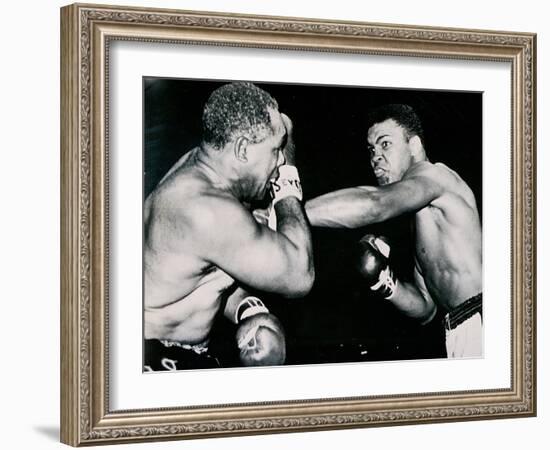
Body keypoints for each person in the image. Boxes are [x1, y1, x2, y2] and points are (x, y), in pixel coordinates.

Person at [144, 81, 314, 371]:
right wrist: (287, 181)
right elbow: (299, 275)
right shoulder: (205, 208)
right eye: (275, 149)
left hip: (165, 347)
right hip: (159, 357)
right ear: (243, 149)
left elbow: (197, 278)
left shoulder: (199, 172)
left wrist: (249, 309)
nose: (280, 158)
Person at [305, 104, 482, 358]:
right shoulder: (421, 215)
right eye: (371, 149)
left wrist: (291, 213)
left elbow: (375, 203)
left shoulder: (434, 176)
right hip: (457, 329)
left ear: (414, 146)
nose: (375, 156)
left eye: (385, 144)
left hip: (483, 317)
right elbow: (426, 308)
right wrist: (384, 281)